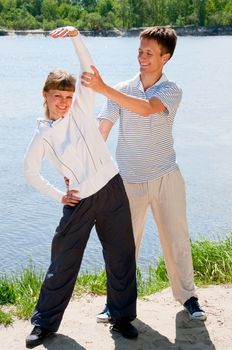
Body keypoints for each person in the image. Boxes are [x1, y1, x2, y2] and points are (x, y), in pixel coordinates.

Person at [81, 26, 206, 322]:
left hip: (166, 177)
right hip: (128, 181)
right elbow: (102, 130)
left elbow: (148, 109)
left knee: (177, 240)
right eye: (140, 51)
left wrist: (103, 88)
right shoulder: (121, 89)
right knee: (123, 245)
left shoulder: (170, 90)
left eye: (149, 53)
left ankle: (188, 297)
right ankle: (116, 303)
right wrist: (83, 167)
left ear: (166, 57)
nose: (142, 57)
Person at [24, 26, 138, 348]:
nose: (63, 102)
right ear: (45, 95)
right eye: (57, 96)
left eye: (68, 96)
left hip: (111, 187)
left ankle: (122, 316)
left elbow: (89, 71)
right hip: (78, 201)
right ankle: (44, 324)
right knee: (63, 261)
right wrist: (59, 194)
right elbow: (30, 172)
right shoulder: (42, 135)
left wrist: (76, 37)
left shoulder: (81, 109)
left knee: (121, 254)